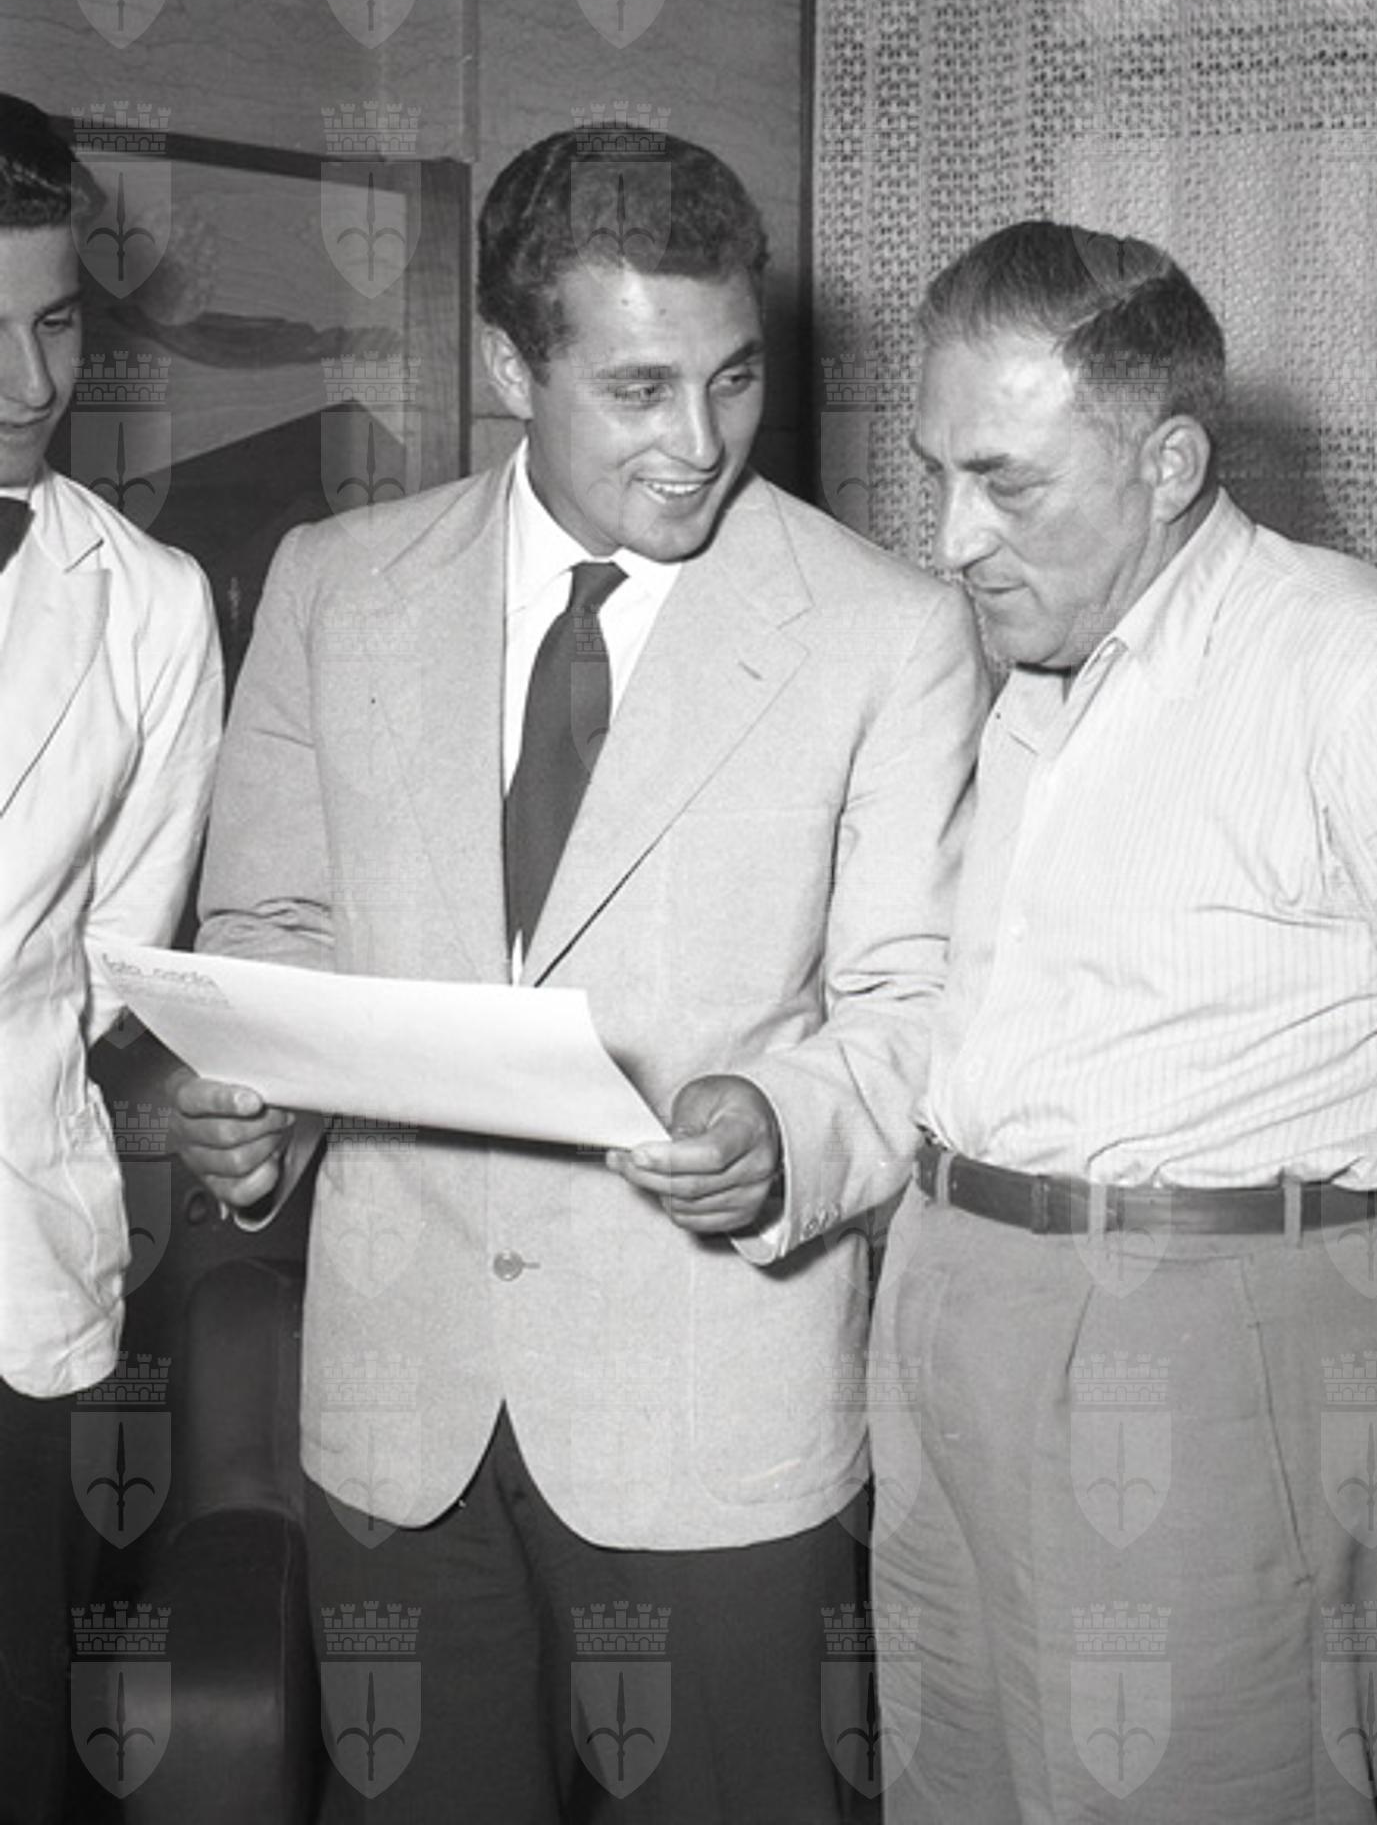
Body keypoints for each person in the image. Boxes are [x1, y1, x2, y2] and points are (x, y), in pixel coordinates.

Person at [167, 128, 986, 1822]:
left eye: (734, 378)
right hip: (399, 1422)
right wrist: (257, 1107)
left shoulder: (888, 631)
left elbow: (914, 1011)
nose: (700, 443)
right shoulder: (335, 588)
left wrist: (781, 1129)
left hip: (713, 1419)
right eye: (636, 389)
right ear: (505, 367)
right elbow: (270, 929)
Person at [870, 220, 1377, 1824]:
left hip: (1213, 1352)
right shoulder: (1043, 669)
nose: (951, 537)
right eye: (937, 473)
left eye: (1007, 483)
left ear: (1168, 463)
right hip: (952, 1311)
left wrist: (1373, 1348)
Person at [0, 92, 223, 1820]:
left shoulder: (149, 602)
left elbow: (120, 961)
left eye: (58, 322)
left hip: (20, 1253)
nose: (28, 382)